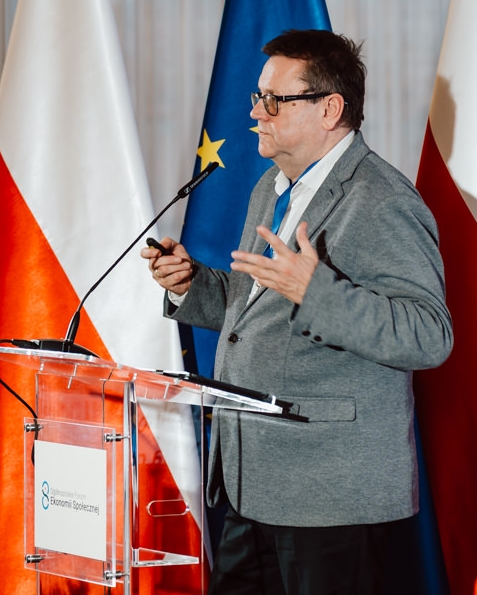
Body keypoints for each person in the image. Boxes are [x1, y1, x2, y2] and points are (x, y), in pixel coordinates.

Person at [142, 29, 453, 595]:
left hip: (329, 499)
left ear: (330, 108)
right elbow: (259, 307)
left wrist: (318, 291)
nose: (257, 113)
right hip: (250, 482)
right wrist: (193, 286)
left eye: (274, 100)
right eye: (258, 98)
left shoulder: (382, 199)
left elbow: (429, 334)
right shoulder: (273, 184)